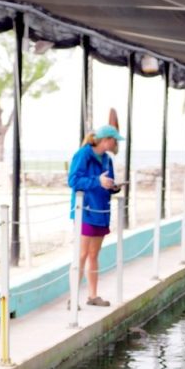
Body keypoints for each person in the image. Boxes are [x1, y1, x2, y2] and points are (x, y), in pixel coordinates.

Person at [68, 124, 125, 307]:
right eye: (114, 140)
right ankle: (73, 299)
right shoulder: (83, 154)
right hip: (84, 211)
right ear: (106, 140)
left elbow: (106, 183)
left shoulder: (107, 159)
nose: (115, 144)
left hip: (101, 211)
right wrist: (97, 181)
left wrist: (113, 187)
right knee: (81, 255)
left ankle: (92, 296)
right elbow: (73, 180)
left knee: (94, 254)